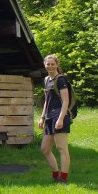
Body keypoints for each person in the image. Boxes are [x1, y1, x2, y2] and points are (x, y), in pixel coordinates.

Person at [38, 54, 71, 183]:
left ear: (57, 65)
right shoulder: (47, 80)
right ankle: (55, 174)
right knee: (45, 149)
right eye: (48, 64)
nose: (50, 66)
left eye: (53, 64)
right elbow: (47, 100)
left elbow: (66, 100)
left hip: (60, 116)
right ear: (44, 65)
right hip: (49, 117)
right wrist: (42, 117)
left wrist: (61, 119)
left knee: (61, 148)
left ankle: (63, 178)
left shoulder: (61, 79)